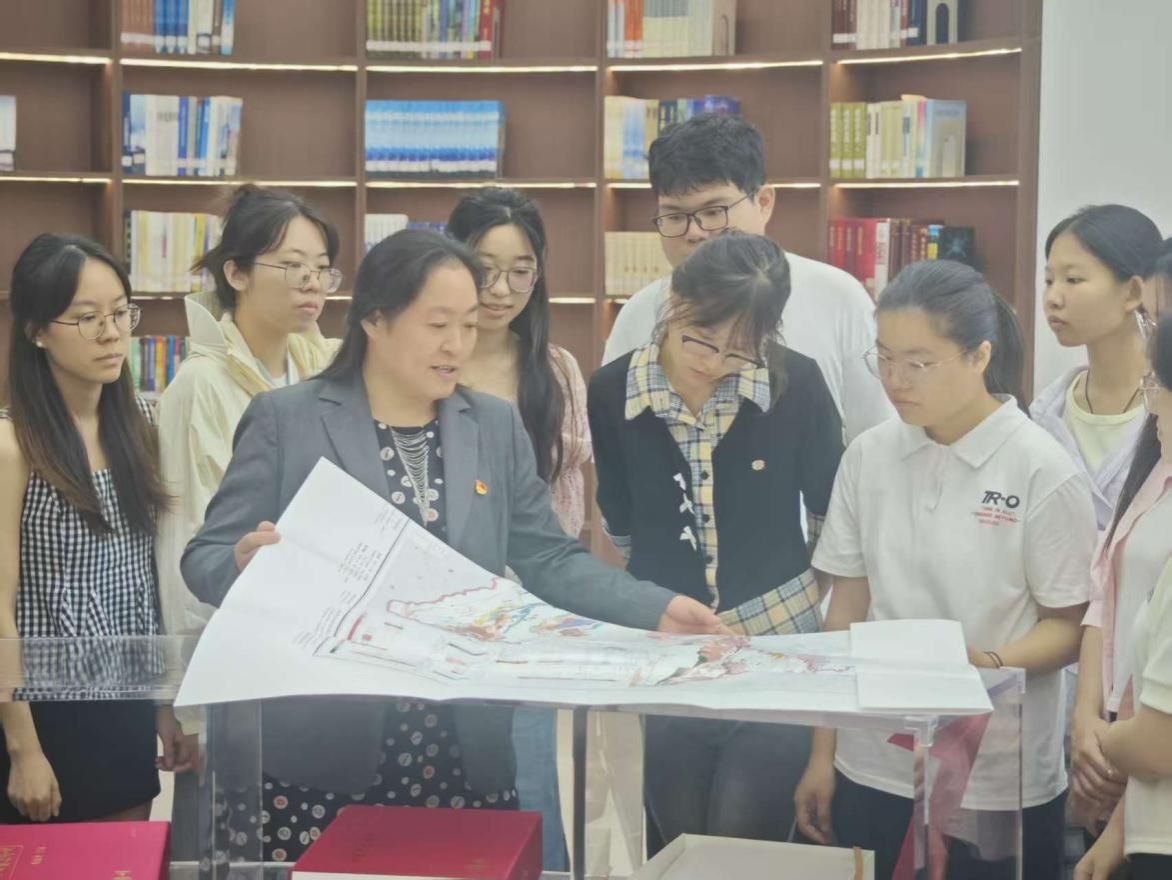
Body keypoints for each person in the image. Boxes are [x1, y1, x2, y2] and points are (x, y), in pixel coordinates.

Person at [179, 228, 723, 862]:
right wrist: (243, 563)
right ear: (375, 319)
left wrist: (654, 608)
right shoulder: (288, 419)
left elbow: (548, 557)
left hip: (462, 749)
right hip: (326, 752)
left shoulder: (492, 424)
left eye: (468, 325)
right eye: (437, 324)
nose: (457, 345)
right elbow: (205, 558)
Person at [794, 260, 1095, 880]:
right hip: (871, 758)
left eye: (919, 363)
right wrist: (823, 754)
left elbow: (1071, 627)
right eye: (884, 358)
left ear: (979, 356)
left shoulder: (1039, 467)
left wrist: (980, 665)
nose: (895, 381)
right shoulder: (869, 455)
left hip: (997, 772)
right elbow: (844, 613)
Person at [589, 232, 843, 847]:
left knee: (744, 835)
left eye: (739, 352)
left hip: (776, 647)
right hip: (666, 649)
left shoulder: (797, 382)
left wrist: (791, 600)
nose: (713, 362)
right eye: (701, 340)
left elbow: (831, 517)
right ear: (675, 301)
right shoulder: (613, 389)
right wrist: (666, 600)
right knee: (677, 835)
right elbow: (619, 515)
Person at [0, 234, 193, 824]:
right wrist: (23, 749)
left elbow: (143, 580)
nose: (112, 334)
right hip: (39, 709)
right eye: (87, 318)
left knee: (125, 859)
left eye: (120, 313)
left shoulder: (138, 426)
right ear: (37, 330)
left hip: (123, 702)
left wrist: (162, 703)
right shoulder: (13, 444)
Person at [446, 186, 591, 871]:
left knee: (532, 787)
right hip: (442, 616)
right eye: (484, 270)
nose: (501, 291)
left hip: (532, 616)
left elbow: (571, 507)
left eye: (521, 271)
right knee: (447, 796)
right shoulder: (430, 361)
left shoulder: (555, 370)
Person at [602, 112, 892, 443]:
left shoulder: (837, 296)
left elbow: (874, 438)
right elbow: (615, 439)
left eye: (713, 212)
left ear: (764, 202)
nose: (695, 232)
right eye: (675, 216)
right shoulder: (640, 312)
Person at [156, 183, 341, 641]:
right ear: (237, 273)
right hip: (232, 631)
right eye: (293, 266)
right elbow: (185, 542)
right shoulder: (200, 385)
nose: (312, 282)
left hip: (317, 623)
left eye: (321, 268)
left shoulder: (326, 368)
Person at [1070, 241, 1172, 842]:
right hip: (1125, 744)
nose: (1151, 339)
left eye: (1158, 319)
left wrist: (1112, 741)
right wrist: (1087, 722)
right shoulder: (1155, 445)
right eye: (1150, 321)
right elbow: (1105, 590)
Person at [1032, 204, 1163, 531]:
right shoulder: (1046, 411)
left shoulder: (1165, 408)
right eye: (1049, 280)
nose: (1052, 298)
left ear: (1134, 292)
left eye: (1073, 279)